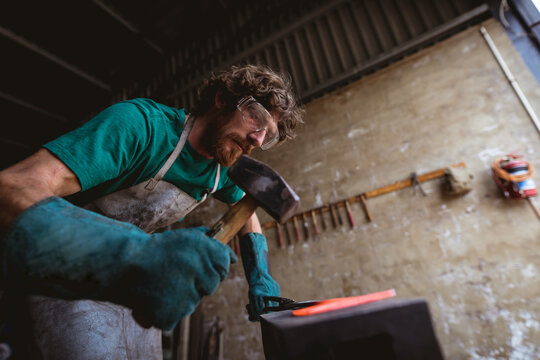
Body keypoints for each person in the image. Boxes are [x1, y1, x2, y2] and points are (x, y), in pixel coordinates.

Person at [0, 64, 304, 359]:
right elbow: (12, 188)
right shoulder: (142, 126)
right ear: (222, 99)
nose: (258, 139)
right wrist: (134, 253)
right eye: (256, 117)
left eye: (269, 134)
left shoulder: (220, 169)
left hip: (137, 288)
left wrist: (261, 277)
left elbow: (246, 211)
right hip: (69, 276)